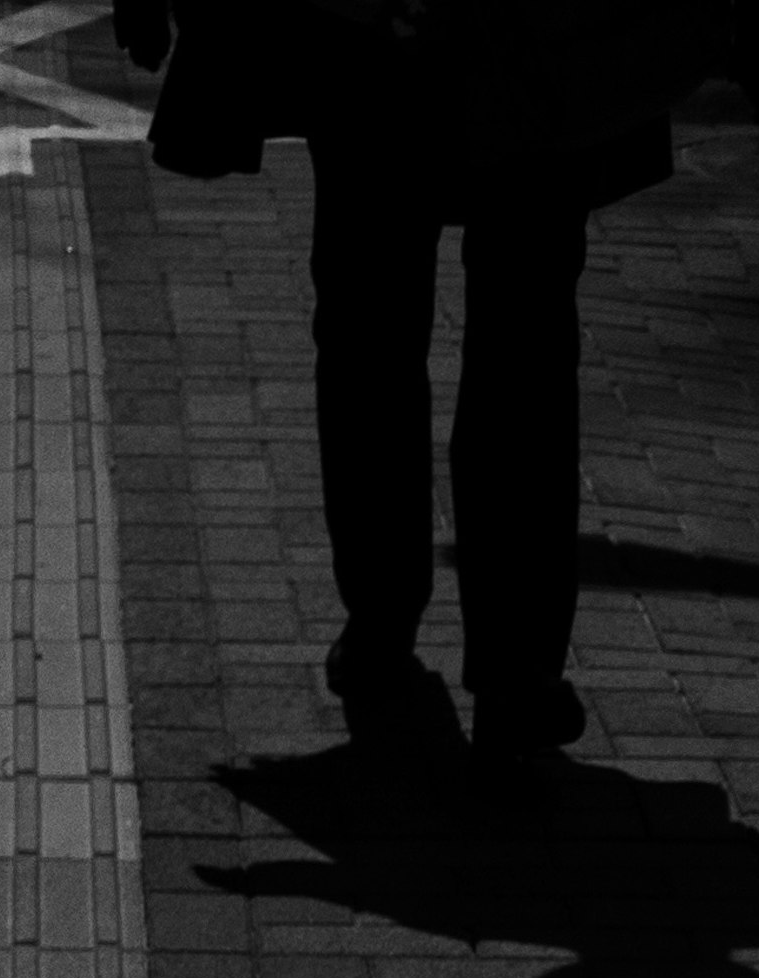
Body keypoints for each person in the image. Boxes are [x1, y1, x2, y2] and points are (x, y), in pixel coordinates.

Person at [114, 0, 725, 794]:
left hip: (370, 42)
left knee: (373, 326)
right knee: (522, 343)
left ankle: (382, 615)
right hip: (538, 40)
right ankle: (511, 666)